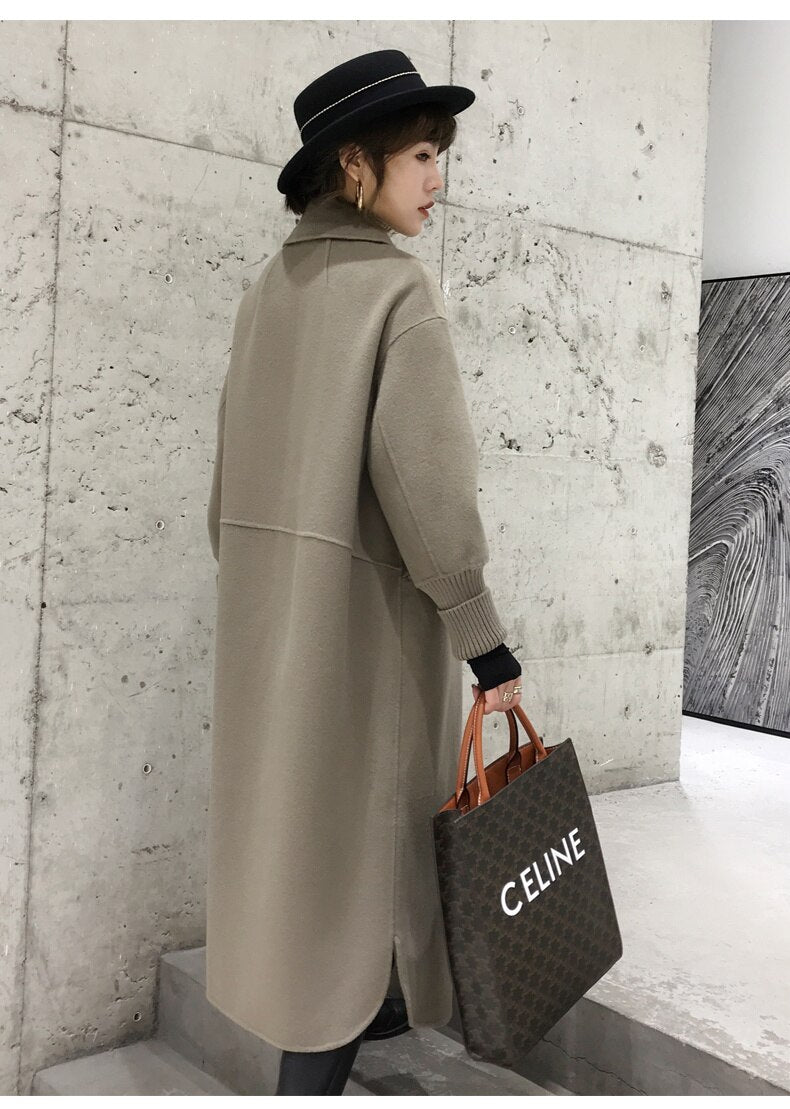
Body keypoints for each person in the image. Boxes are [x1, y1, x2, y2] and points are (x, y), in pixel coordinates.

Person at [205, 49, 523, 1096]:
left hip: (271, 628)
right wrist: (485, 643)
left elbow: (225, 493)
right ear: (354, 164)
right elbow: (432, 497)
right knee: (356, 854)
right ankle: (312, 1074)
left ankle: (373, 1001)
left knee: (301, 849)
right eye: (422, 155)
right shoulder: (397, 293)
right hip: (364, 641)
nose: (438, 178)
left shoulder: (270, 290)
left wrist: (271, 591)